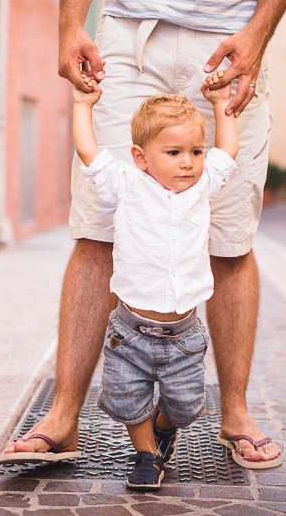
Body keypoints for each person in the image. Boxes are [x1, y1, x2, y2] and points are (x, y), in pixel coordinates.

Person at [0, 0, 286, 469]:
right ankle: (62, 416)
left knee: (230, 240)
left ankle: (236, 413)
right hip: (127, 34)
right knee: (98, 231)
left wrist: (258, 33)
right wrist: (71, 23)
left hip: (233, 35)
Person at [72, 72, 239, 489]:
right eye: (174, 152)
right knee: (129, 400)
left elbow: (229, 152)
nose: (188, 161)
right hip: (129, 332)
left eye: (195, 151)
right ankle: (147, 455)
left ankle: (165, 428)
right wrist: (82, 106)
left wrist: (221, 106)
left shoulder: (203, 187)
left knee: (185, 407)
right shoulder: (127, 185)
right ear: (141, 157)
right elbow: (90, 154)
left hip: (183, 335)